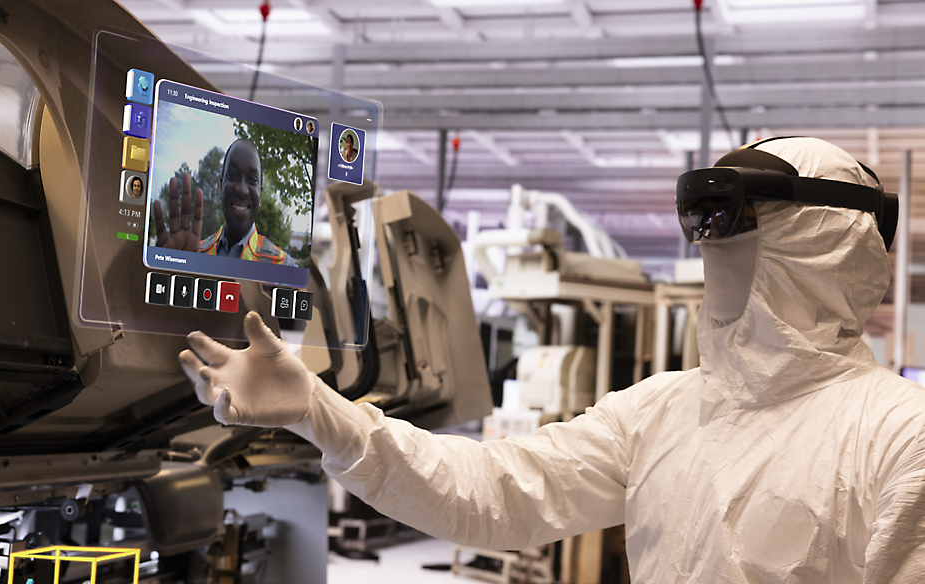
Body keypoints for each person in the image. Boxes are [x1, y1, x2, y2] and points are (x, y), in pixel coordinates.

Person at [178, 137, 925, 582]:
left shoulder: (895, 434)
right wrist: (321, 412)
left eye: (737, 250)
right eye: (709, 250)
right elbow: (491, 492)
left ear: (818, 260)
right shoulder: (664, 409)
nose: (713, 273)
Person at [153, 139, 290, 264]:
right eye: (233, 175)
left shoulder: (285, 266)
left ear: (260, 194)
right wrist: (174, 267)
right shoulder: (194, 254)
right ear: (221, 187)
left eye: (252, 179)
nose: (242, 190)